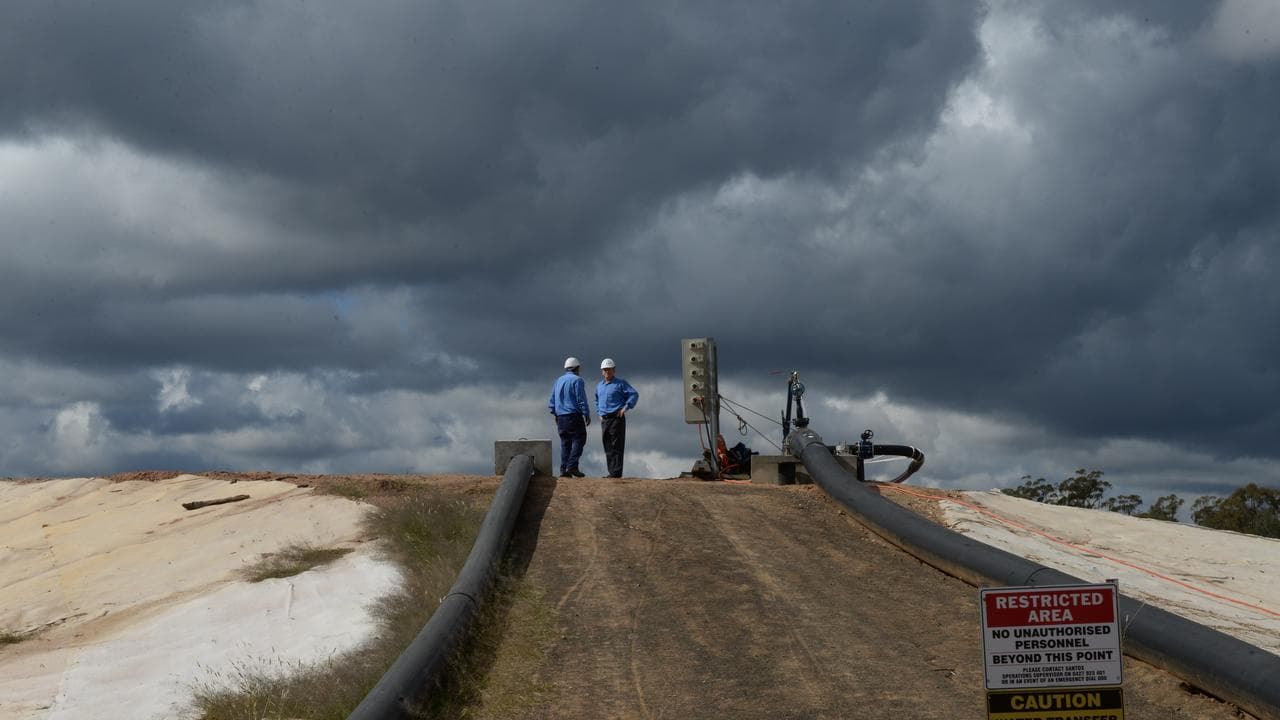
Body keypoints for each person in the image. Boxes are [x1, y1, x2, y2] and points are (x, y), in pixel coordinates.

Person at [595, 358, 639, 478]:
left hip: (616, 417)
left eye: (609, 369)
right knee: (607, 445)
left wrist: (626, 407)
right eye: (605, 370)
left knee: (617, 445)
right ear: (602, 371)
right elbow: (596, 400)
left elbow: (634, 394)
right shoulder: (599, 386)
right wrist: (599, 412)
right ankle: (611, 472)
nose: (607, 372)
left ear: (614, 370)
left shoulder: (621, 383)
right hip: (605, 419)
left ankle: (617, 472)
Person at [548, 357, 591, 477]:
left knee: (565, 443)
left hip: (561, 417)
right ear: (577, 368)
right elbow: (581, 399)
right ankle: (572, 466)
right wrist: (586, 413)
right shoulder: (577, 380)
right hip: (573, 415)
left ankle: (564, 470)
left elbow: (552, 400)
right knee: (579, 438)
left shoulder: (558, 380)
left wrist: (555, 413)